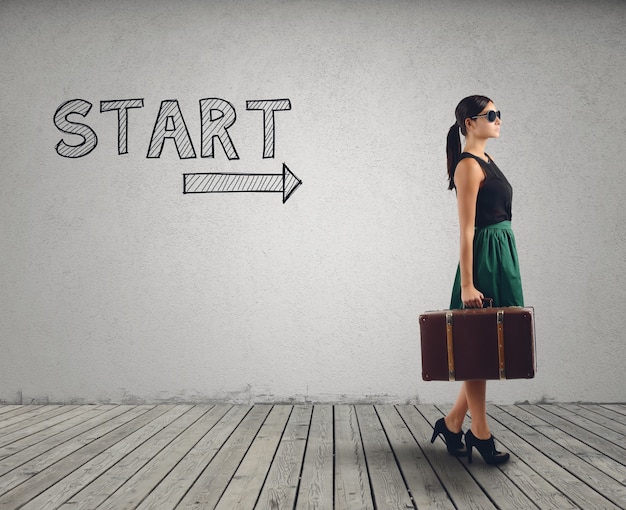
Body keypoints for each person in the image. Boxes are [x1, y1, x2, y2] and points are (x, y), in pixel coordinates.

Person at [430, 95, 524, 465]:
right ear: (469, 122)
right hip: (485, 254)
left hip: (502, 253)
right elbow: (466, 231)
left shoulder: (488, 160)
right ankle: (480, 433)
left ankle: (454, 423)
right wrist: (468, 284)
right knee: (481, 347)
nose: (499, 119)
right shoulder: (468, 167)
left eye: (499, 113)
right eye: (491, 115)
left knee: (490, 346)